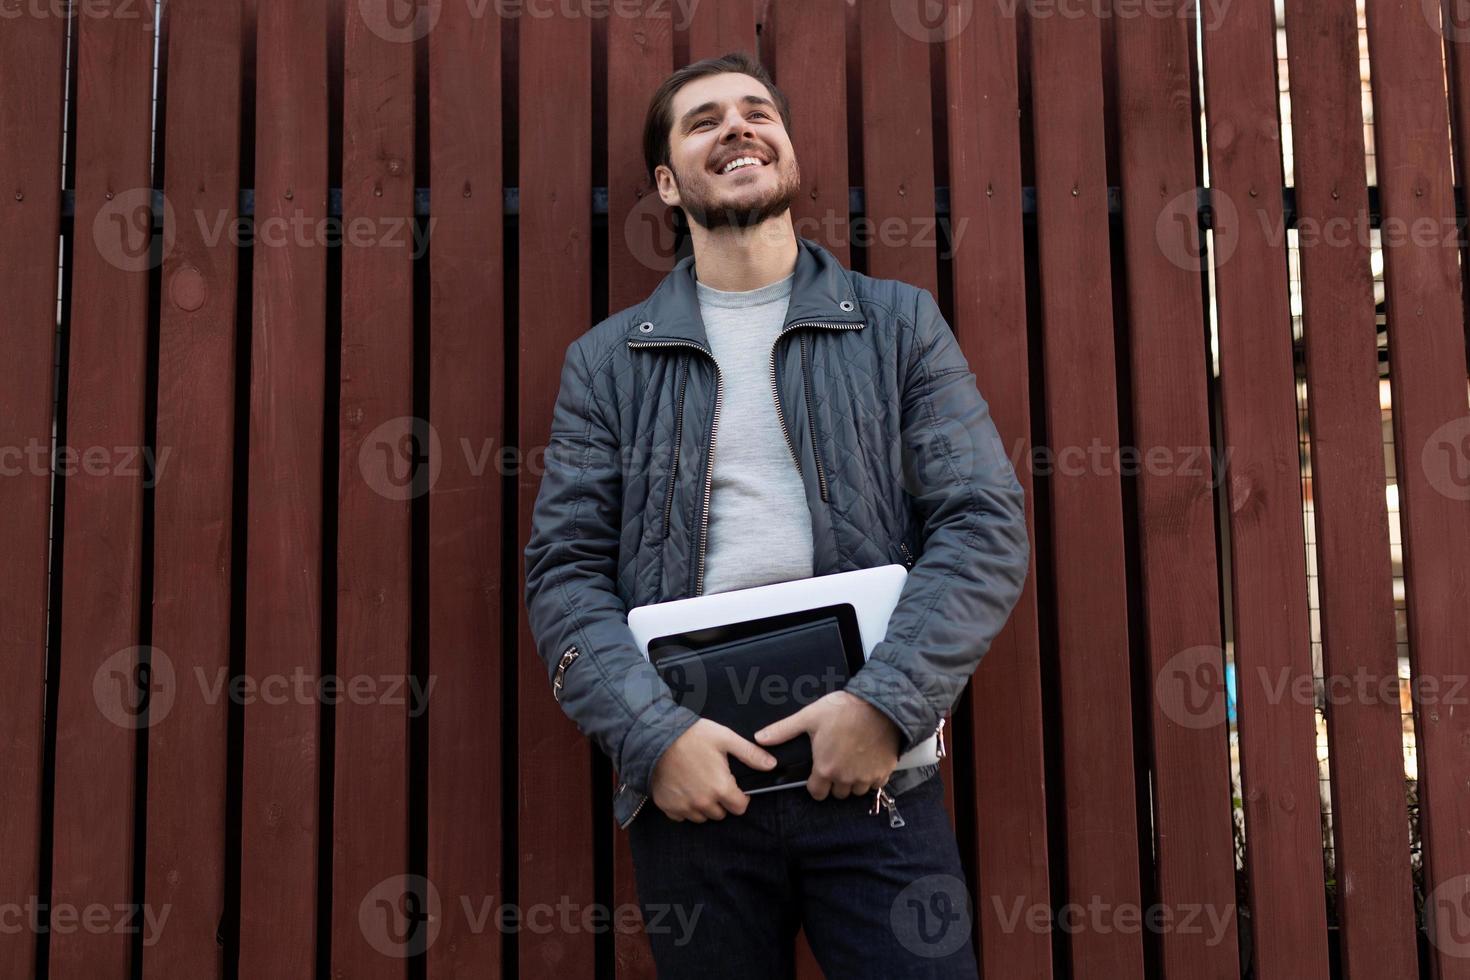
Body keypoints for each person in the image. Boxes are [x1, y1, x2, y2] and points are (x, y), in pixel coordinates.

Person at [523, 50, 1029, 979]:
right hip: (693, 789)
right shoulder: (606, 364)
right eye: (705, 119)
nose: (739, 128)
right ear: (670, 184)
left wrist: (885, 707)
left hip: (879, 775)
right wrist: (652, 739)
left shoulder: (897, 324)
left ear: (789, 153)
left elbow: (982, 523)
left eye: (758, 112)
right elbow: (563, 575)